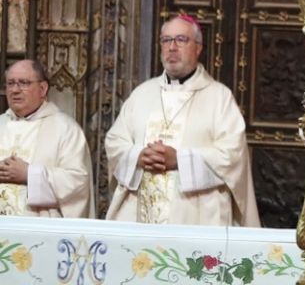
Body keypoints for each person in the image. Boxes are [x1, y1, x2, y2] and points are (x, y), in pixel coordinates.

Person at [103, 14, 260, 225]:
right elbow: (114, 142)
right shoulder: (142, 94)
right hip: (138, 218)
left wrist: (179, 160)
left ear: (198, 48)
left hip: (195, 218)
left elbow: (232, 155)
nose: (172, 47)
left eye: (181, 40)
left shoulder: (219, 98)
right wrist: (138, 156)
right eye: (166, 40)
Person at [0, 58, 90, 217]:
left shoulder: (66, 129)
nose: (15, 90)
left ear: (42, 88)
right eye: (10, 83)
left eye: (24, 83)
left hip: (37, 233)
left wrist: (29, 174)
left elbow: (78, 183)